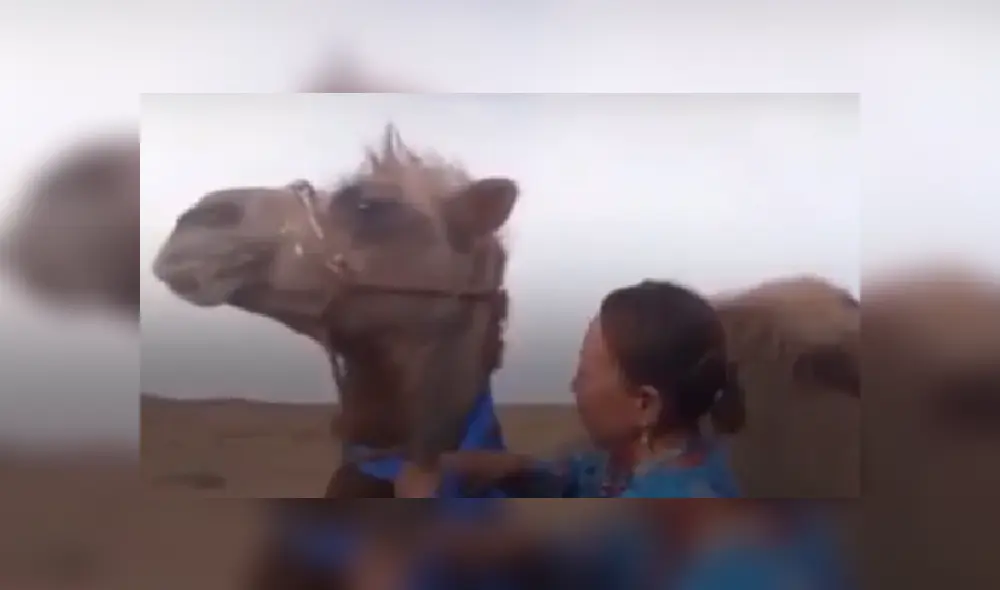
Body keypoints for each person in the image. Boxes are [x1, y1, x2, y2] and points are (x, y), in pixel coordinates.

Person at [395, 279, 746, 498]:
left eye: (585, 373)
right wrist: (501, 468)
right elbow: (572, 479)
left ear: (644, 404)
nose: (573, 385)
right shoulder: (636, 462)